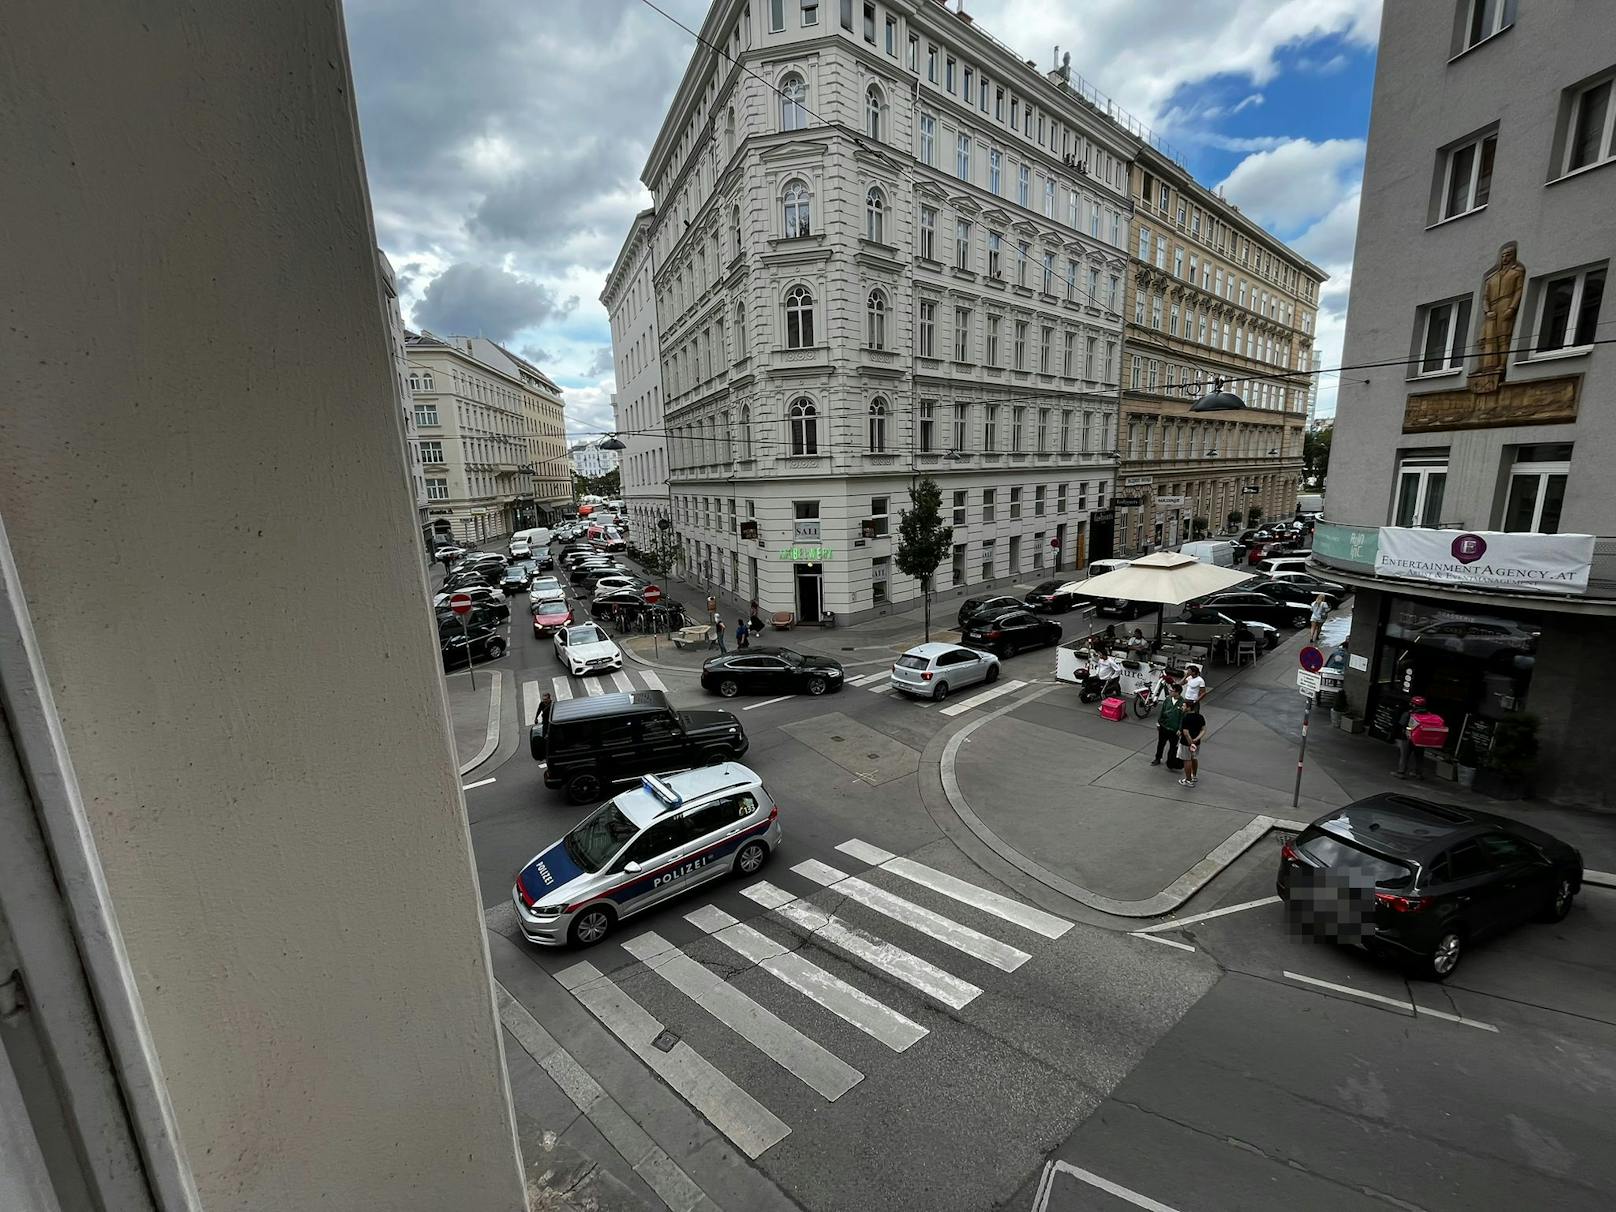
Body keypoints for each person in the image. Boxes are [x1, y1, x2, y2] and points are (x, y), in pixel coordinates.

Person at [1394, 695, 1429, 780]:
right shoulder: (1428, 715)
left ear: (1413, 705)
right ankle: (1418, 773)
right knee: (1419, 756)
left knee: (1404, 755)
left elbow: (1401, 724)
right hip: (1421, 739)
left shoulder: (1409, 713)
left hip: (1407, 738)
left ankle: (1401, 772)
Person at [1151, 687, 1183, 767]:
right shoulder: (1167, 700)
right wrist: (1159, 722)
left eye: (1172, 691)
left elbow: (1183, 717)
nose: (1170, 692)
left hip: (1174, 729)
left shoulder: (1182, 702)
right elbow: (1162, 711)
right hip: (1164, 726)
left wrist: (1180, 729)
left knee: (1173, 746)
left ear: (1177, 692)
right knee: (1161, 744)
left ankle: (1170, 761)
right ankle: (1158, 758)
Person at [1179, 703, 1207, 788]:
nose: (1182, 707)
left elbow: (1186, 733)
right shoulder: (1200, 717)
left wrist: (1191, 743)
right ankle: (1194, 776)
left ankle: (1188, 780)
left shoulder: (1186, 718)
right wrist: (1196, 739)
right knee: (1194, 758)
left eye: (1184, 706)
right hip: (1197, 743)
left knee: (1187, 760)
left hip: (1186, 743)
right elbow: (1203, 730)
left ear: (1188, 708)